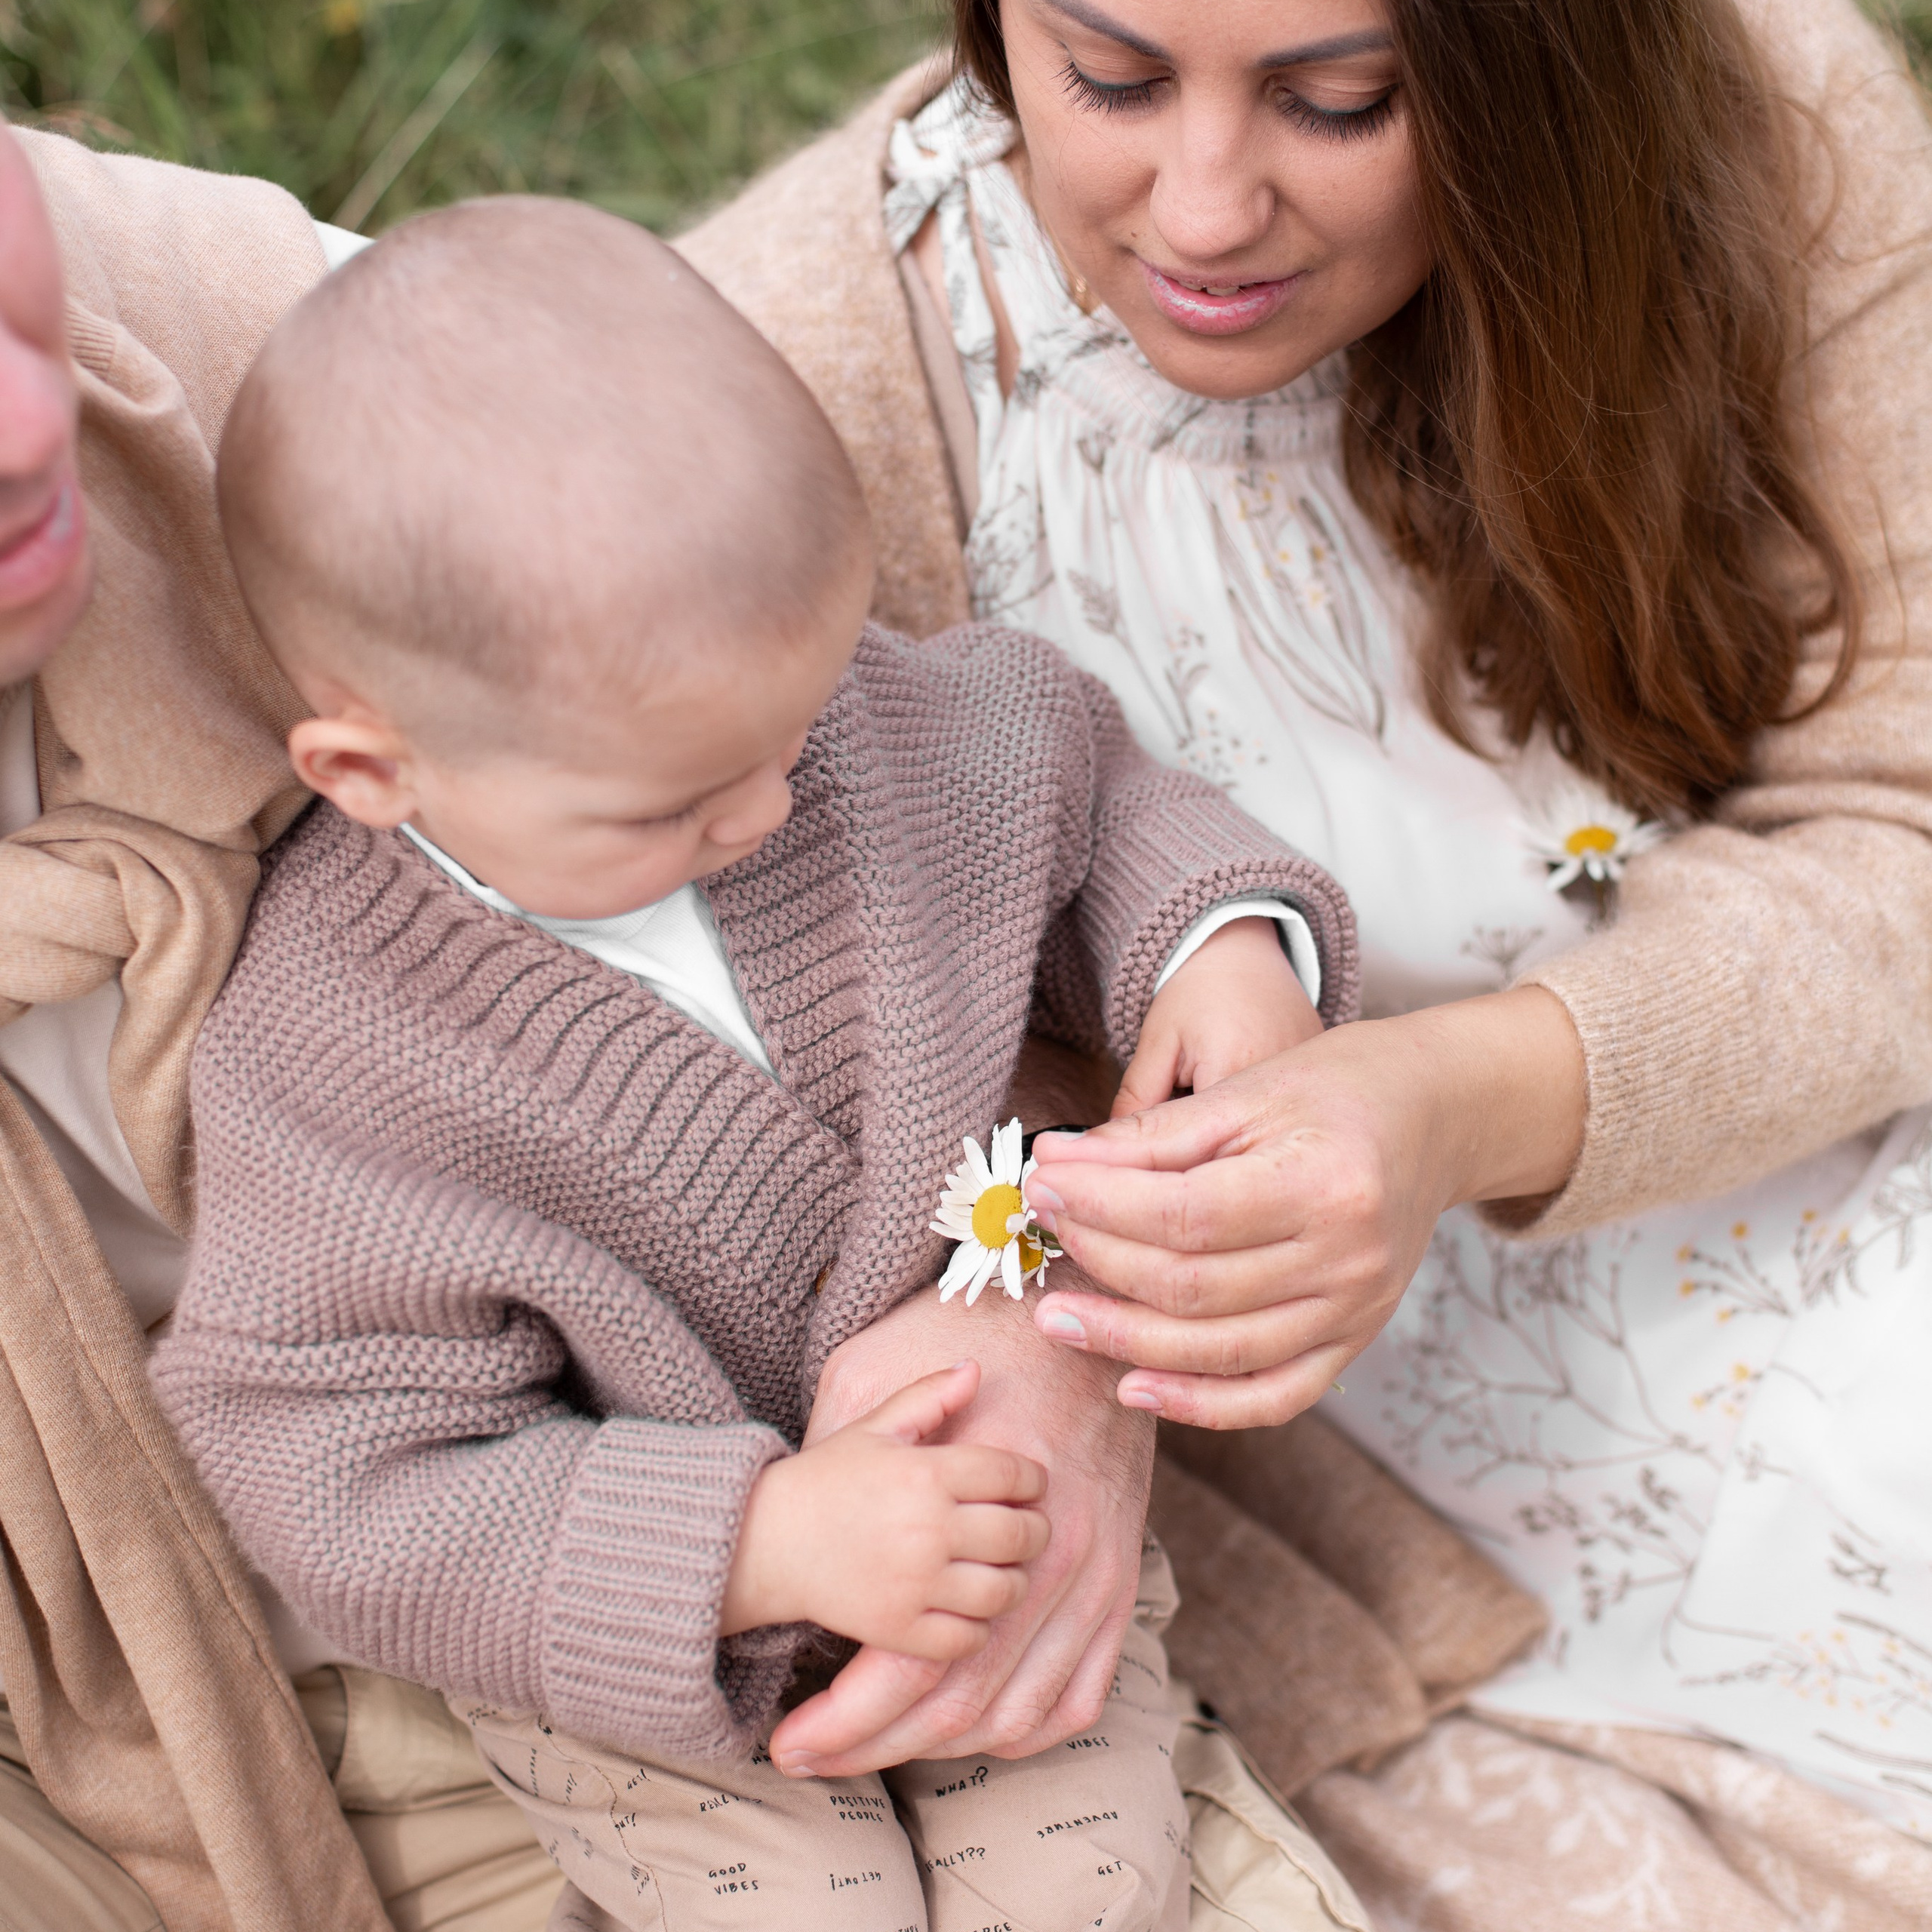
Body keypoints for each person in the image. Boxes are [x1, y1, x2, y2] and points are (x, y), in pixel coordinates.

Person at [0, 112, 1378, 1932]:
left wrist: (1226, 944)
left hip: (983, 1514)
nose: (758, 812)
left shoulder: (852, 741)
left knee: (1093, 1888)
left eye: (787, 730)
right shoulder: (326, 1059)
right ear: (367, 768)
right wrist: (749, 1543)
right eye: (667, 805)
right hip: (641, 1650)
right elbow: (340, 1467)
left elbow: (1083, 794)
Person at [672, 0, 1932, 1921]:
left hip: (1799, 1108)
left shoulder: (1770, 110)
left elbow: (1898, 816)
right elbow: (723, 1032)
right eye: (1100, 79)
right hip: (1322, 1432)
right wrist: (1059, 1341)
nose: (1199, 203)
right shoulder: (789, 371)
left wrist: (1451, 1099)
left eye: (1336, 100)